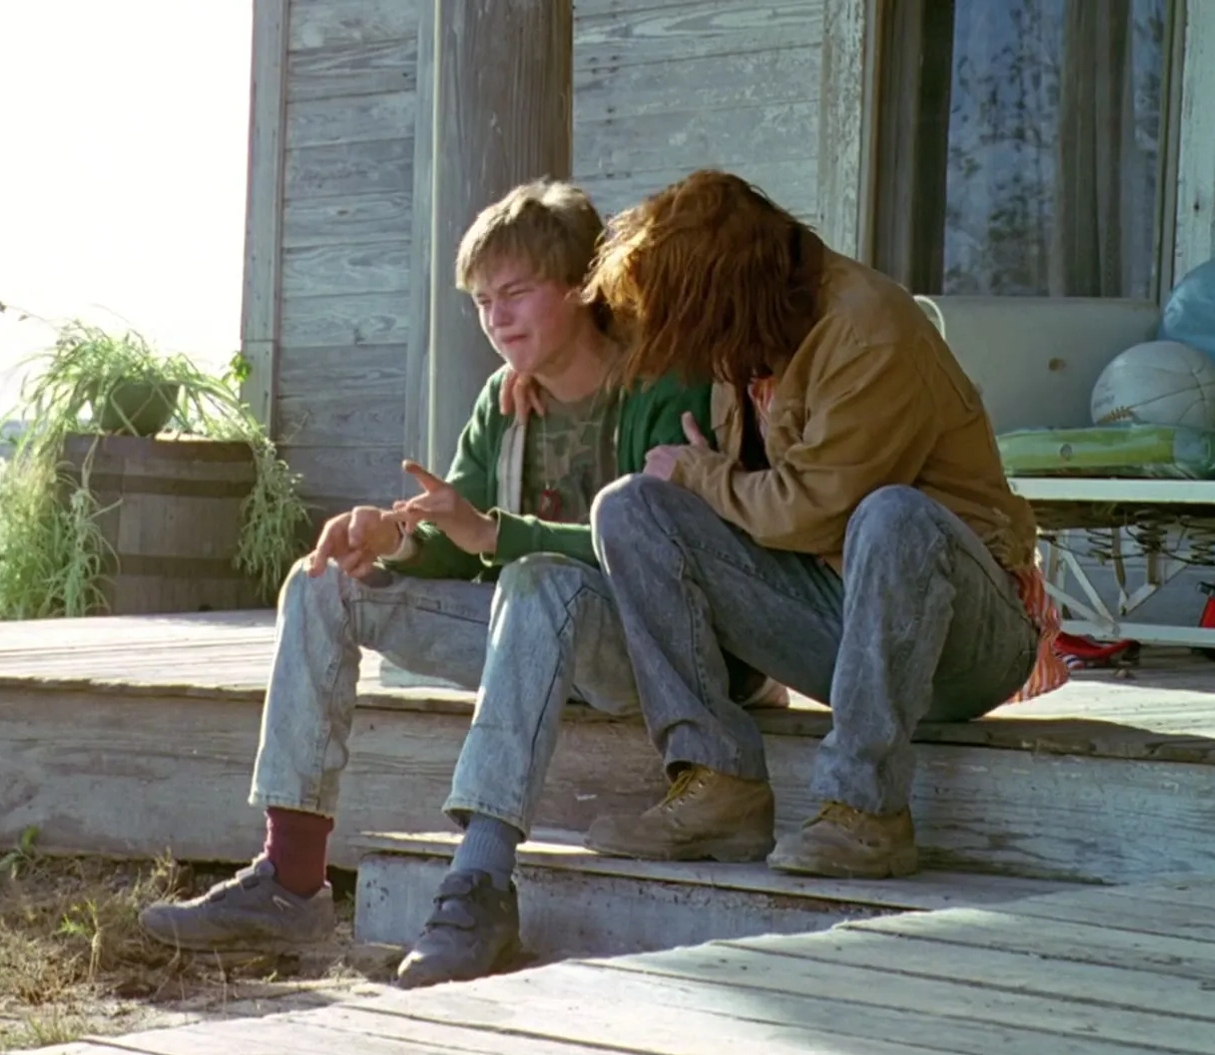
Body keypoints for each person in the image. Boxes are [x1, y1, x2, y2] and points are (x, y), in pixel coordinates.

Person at [136, 179, 755, 989]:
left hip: (648, 654)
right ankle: (288, 881)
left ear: (580, 288)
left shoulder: (662, 386)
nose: (496, 317)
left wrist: (497, 534)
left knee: (537, 580)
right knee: (325, 581)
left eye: (517, 293)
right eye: (481, 301)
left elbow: (665, 559)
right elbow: (457, 541)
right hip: (529, 638)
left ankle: (479, 884)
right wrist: (393, 540)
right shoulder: (502, 405)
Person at [528, 169, 1067, 879]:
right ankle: (717, 784)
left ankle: (866, 811)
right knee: (631, 507)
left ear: (730, 291)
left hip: (966, 645)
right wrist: (530, 372)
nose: (687, 344)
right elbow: (622, 355)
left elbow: (814, 512)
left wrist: (701, 475)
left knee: (892, 513)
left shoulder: (870, 327)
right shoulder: (751, 337)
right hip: (846, 629)